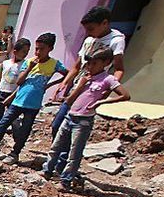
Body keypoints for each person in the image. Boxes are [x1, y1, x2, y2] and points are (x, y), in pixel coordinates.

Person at [43, 48, 130, 189]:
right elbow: (69, 101)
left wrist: (101, 102)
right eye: (89, 64)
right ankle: (47, 170)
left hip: (83, 121)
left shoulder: (108, 79)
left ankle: (66, 180)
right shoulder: (86, 77)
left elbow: (125, 95)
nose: (90, 67)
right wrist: (81, 85)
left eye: (94, 63)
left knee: (74, 153)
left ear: (105, 63)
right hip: (70, 115)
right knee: (56, 146)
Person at [50, 6, 126, 139]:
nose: (89, 32)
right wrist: (64, 83)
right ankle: (58, 155)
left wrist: (107, 90)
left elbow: (119, 69)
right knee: (58, 124)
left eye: (91, 29)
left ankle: (64, 157)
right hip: (77, 86)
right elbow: (77, 66)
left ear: (104, 23)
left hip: (91, 90)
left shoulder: (116, 41)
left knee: (72, 127)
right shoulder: (89, 40)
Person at [0, 32, 68, 165]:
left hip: (33, 105)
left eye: (41, 49)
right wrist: (29, 69)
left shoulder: (54, 64)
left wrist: (53, 85)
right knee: (3, 123)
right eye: (36, 48)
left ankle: (15, 153)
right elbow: (20, 82)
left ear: (50, 49)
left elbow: (67, 75)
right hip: (18, 101)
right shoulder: (29, 62)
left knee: (24, 130)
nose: (37, 52)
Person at [0, 37, 31, 130]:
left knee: (14, 121)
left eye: (27, 51)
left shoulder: (25, 65)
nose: (26, 54)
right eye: (23, 51)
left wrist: (12, 97)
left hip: (15, 96)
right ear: (15, 51)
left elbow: (23, 84)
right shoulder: (5, 63)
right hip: (1, 93)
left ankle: (17, 141)